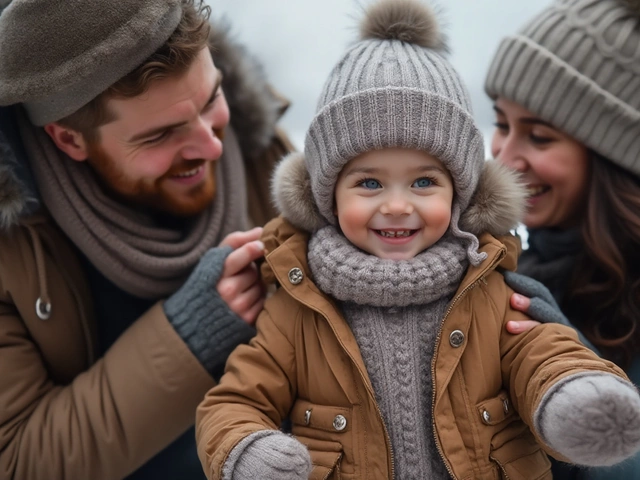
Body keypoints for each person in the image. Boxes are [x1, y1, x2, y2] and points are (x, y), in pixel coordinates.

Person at [194, 1, 640, 479]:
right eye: (369, 183)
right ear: (325, 196)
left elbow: (540, 354)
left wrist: (572, 395)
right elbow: (237, 398)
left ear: (461, 191)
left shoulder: (487, 285)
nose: (398, 205)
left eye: (424, 182)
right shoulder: (299, 308)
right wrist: (246, 449)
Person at [0, 1, 293, 479]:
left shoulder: (257, 142)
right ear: (68, 140)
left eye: (210, 100)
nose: (214, 145)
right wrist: (189, 335)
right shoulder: (12, 249)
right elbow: (16, 461)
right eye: (161, 136)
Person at [485, 0, 640, 478]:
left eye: (540, 137)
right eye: (502, 124)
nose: (505, 158)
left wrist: (567, 368)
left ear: (613, 154)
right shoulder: (514, 273)